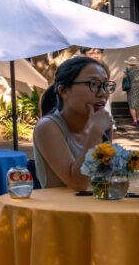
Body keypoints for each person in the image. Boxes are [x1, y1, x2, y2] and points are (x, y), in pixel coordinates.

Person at [33, 56, 115, 190]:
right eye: (93, 84)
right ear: (64, 91)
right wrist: (95, 132)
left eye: (106, 85)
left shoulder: (103, 127)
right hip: (61, 210)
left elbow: (108, 179)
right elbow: (79, 183)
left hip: (97, 209)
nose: (103, 93)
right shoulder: (48, 126)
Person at [123, 56, 139, 124]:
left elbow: (124, 77)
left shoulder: (126, 69)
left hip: (131, 87)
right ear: (136, 63)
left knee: (131, 104)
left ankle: (134, 120)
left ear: (129, 63)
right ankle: (138, 118)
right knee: (136, 102)